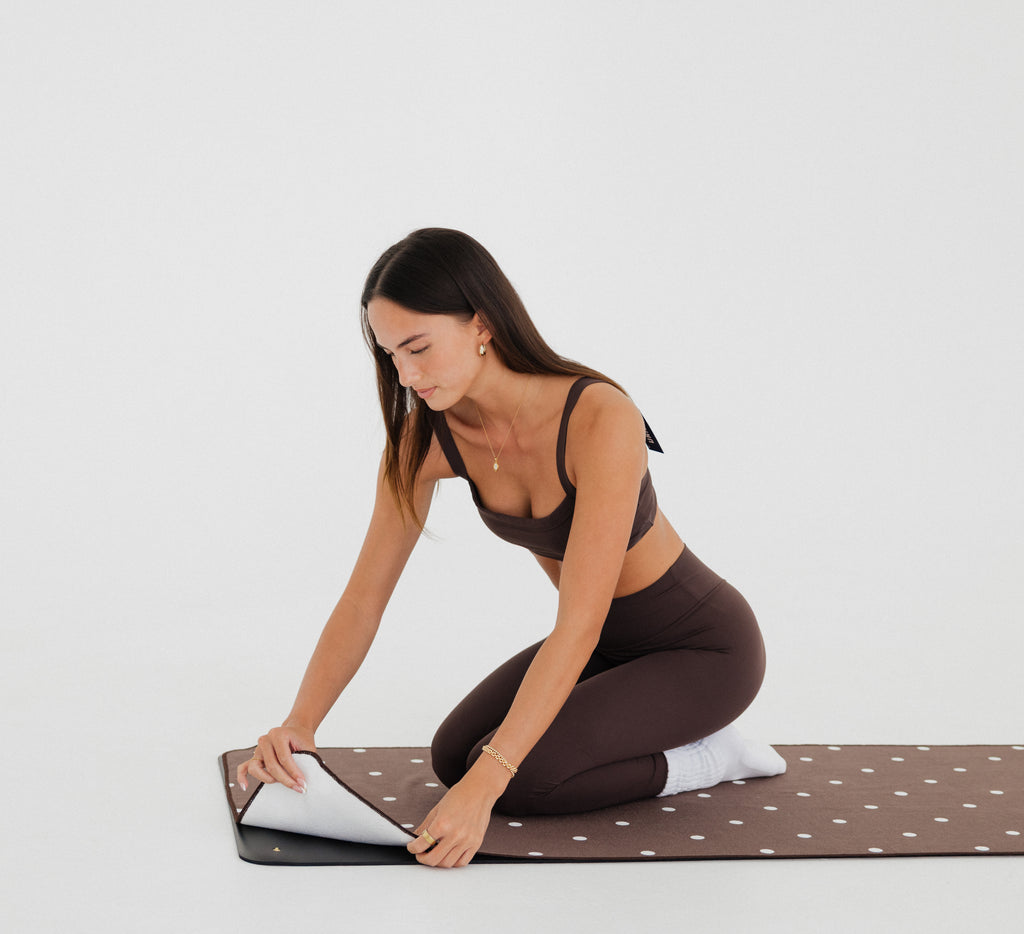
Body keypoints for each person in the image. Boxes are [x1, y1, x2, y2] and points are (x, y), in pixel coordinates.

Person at [237, 228, 785, 868]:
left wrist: (488, 785)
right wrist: (300, 725)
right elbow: (363, 600)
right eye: (390, 356)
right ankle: (637, 729)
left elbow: (578, 623)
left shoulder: (600, 417)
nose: (406, 375)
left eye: (418, 347)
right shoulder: (427, 439)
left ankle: (709, 756)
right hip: (608, 648)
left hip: (702, 649)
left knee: (513, 777)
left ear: (482, 323)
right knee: (452, 757)